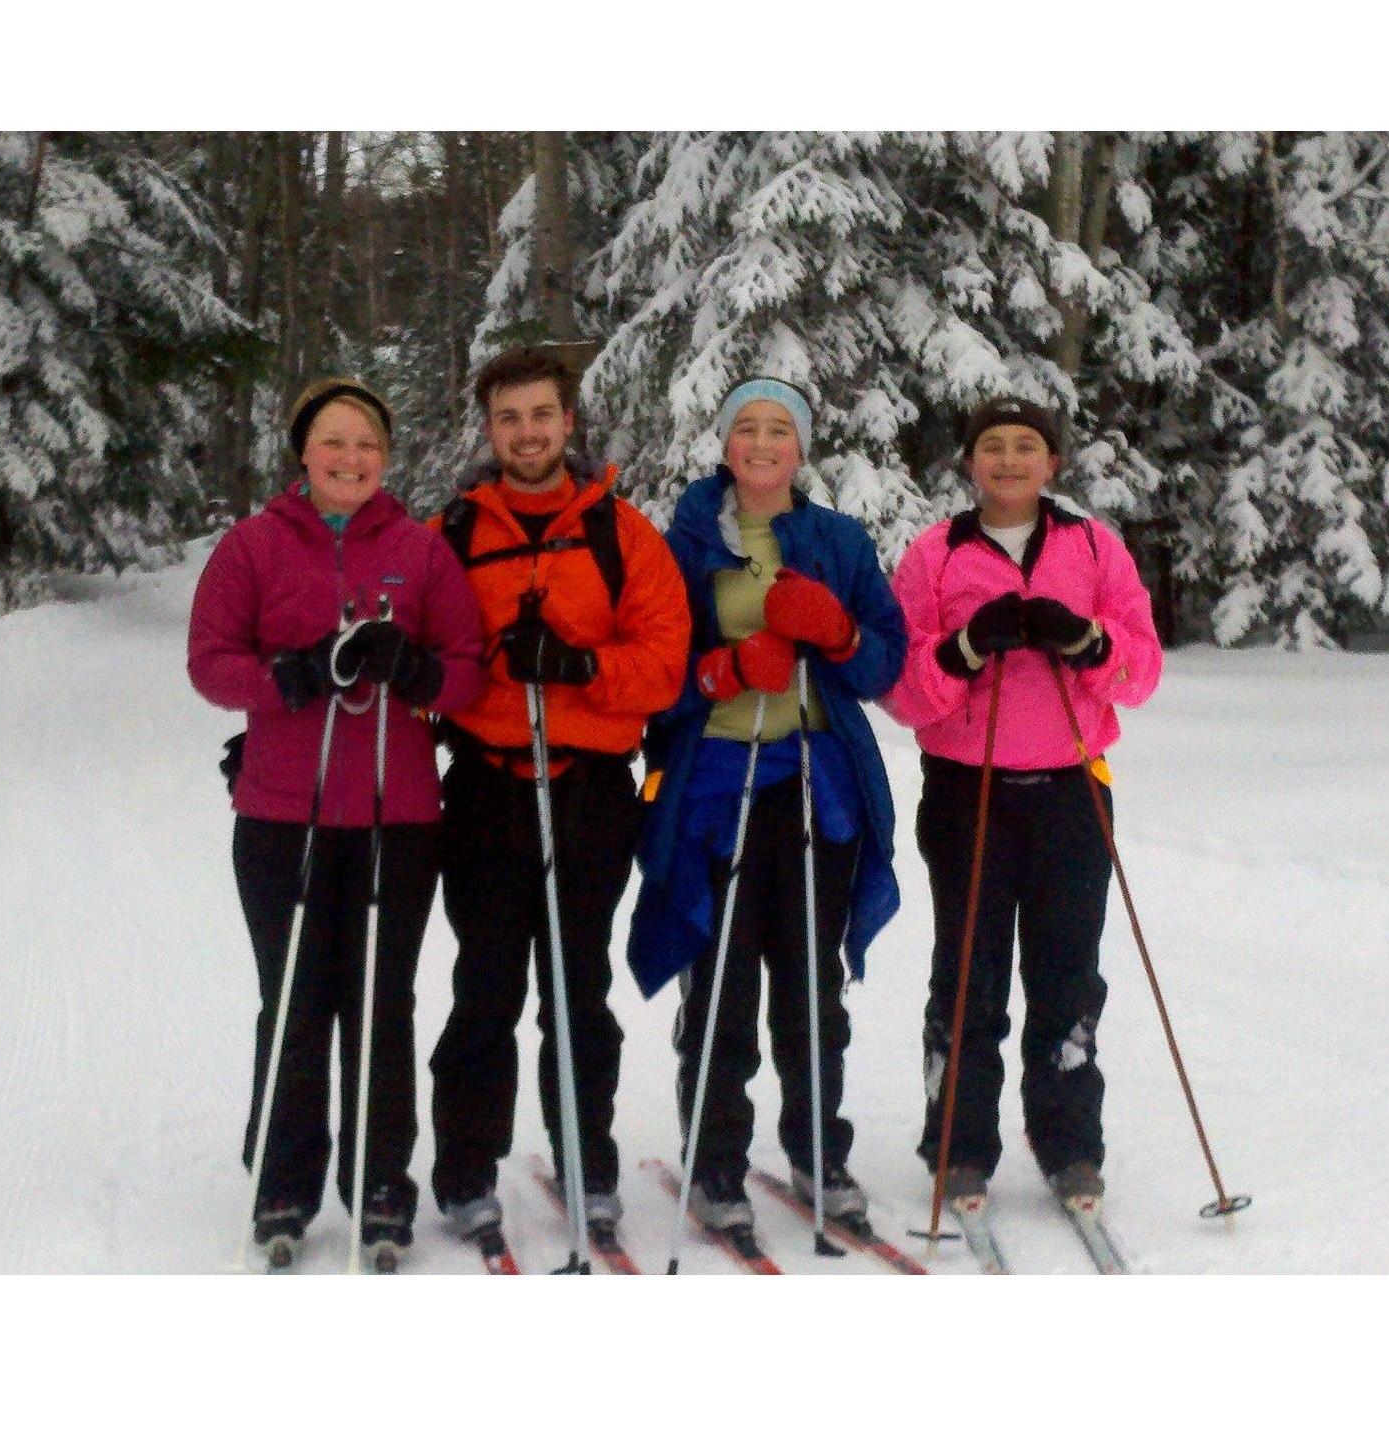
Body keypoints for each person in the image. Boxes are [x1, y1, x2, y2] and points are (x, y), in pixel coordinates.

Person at [188, 377, 485, 1262]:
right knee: (294, 998)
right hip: (285, 814)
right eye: (333, 442)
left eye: (367, 444)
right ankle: (283, 1180)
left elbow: (466, 667)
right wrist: (288, 674)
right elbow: (209, 663)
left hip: (396, 817)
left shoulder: (421, 551)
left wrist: (417, 670)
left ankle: (380, 1183)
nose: (350, 459)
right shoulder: (252, 545)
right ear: (303, 451)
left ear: (385, 458)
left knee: (379, 1000)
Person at [627, 377, 906, 1230]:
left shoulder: (835, 540)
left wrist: (840, 633)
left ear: (801, 447)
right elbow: (647, 668)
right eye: (743, 427)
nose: (759, 442)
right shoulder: (677, 543)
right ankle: (715, 1163)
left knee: (811, 989)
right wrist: (713, 672)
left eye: (778, 428)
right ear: (721, 443)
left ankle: (819, 1150)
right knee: (718, 987)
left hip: (816, 790)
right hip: (715, 786)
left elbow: (884, 662)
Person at [427, 347, 690, 1243]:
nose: (527, 433)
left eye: (542, 415)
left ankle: (587, 1158)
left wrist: (580, 665)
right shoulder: (454, 532)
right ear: (489, 428)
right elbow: (430, 662)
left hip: (587, 790)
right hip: (488, 788)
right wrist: (486, 669)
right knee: (485, 986)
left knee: (578, 986)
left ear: (568, 422)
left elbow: (663, 662)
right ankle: (466, 1166)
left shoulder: (622, 532)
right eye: (509, 418)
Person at [885, 396, 1163, 1204]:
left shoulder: (1092, 547)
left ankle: (1069, 1144)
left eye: (1026, 447)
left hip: (1071, 787)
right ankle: (958, 1144)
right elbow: (903, 690)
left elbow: (1139, 673)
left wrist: (1086, 643)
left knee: (1066, 974)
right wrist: (966, 649)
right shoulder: (935, 554)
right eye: (992, 447)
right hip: (966, 790)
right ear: (968, 462)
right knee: (968, 973)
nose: (1008, 461)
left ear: (1052, 464)